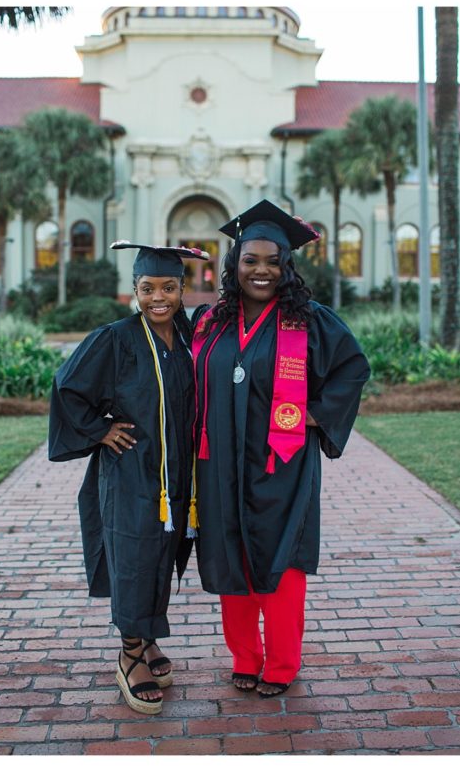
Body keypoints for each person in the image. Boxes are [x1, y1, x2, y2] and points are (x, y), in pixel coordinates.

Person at [190, 200, 369, 698]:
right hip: (220, 463)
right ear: (235, 265)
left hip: (281, 462)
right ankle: (245, 658)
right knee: (231, 559)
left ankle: (283, 664)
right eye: (251, 260)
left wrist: (314, 413)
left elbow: (352, 368)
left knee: (281, 560)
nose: (262, 270)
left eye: (273, 261)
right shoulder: (211, 322)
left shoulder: (309, 320)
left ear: (287, 266)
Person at [48, 242, 206, 715]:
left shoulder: (188, 333)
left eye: (168, 287)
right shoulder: (115, 337)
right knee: (135, 554)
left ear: (182, 289)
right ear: (134, 291)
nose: (159, 297)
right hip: (133, 471)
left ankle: (149, 636)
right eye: (147, 288)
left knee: (165, 550)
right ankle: (129, 653)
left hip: (177, 471)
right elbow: (68, 386)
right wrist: (100, 430)